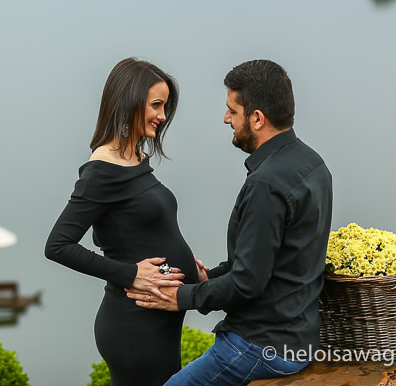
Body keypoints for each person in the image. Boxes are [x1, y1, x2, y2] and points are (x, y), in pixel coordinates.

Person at [127, 59, 334, 386]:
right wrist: (211, 276)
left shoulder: (266, 184)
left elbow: (248, 282)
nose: (226, 118)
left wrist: (181, 298)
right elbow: (271, 261)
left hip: (260, 346)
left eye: (232, 111)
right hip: (300, 339)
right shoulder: (313, 163)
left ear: (257, 118)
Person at [45, 57, 203, 386]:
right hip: (134, 325)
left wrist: (189, 270)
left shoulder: (136, 159)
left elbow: (138, 235)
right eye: (156, 105)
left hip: (158, 320)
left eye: (165, 106)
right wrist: (131, 274)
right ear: (129, 101)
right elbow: (58, 246)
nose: (163, 115)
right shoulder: (102, 170)